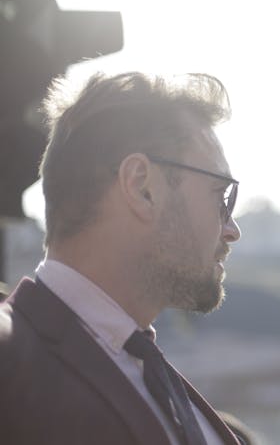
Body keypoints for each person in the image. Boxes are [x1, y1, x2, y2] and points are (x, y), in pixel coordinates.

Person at [0, 72, 248, 445]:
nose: (232, 230)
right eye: (221, 196)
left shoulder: (171, 391)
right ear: (141, 186)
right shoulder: (11, 363)